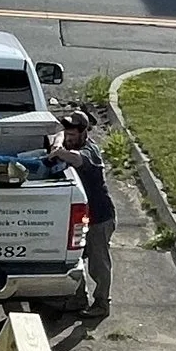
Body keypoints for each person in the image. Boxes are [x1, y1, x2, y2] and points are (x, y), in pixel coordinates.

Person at [58, 106, 116, 323]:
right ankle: (79, 299)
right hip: (80, 218)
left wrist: (58, 152)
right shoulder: (67, 143)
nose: (68, 138)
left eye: (72, 135)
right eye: (66, 134)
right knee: (75, 259)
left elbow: (77, 159)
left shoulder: (90, 151)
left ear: (84, 133)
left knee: (99, 264)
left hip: (100, 218)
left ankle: (102, 304)